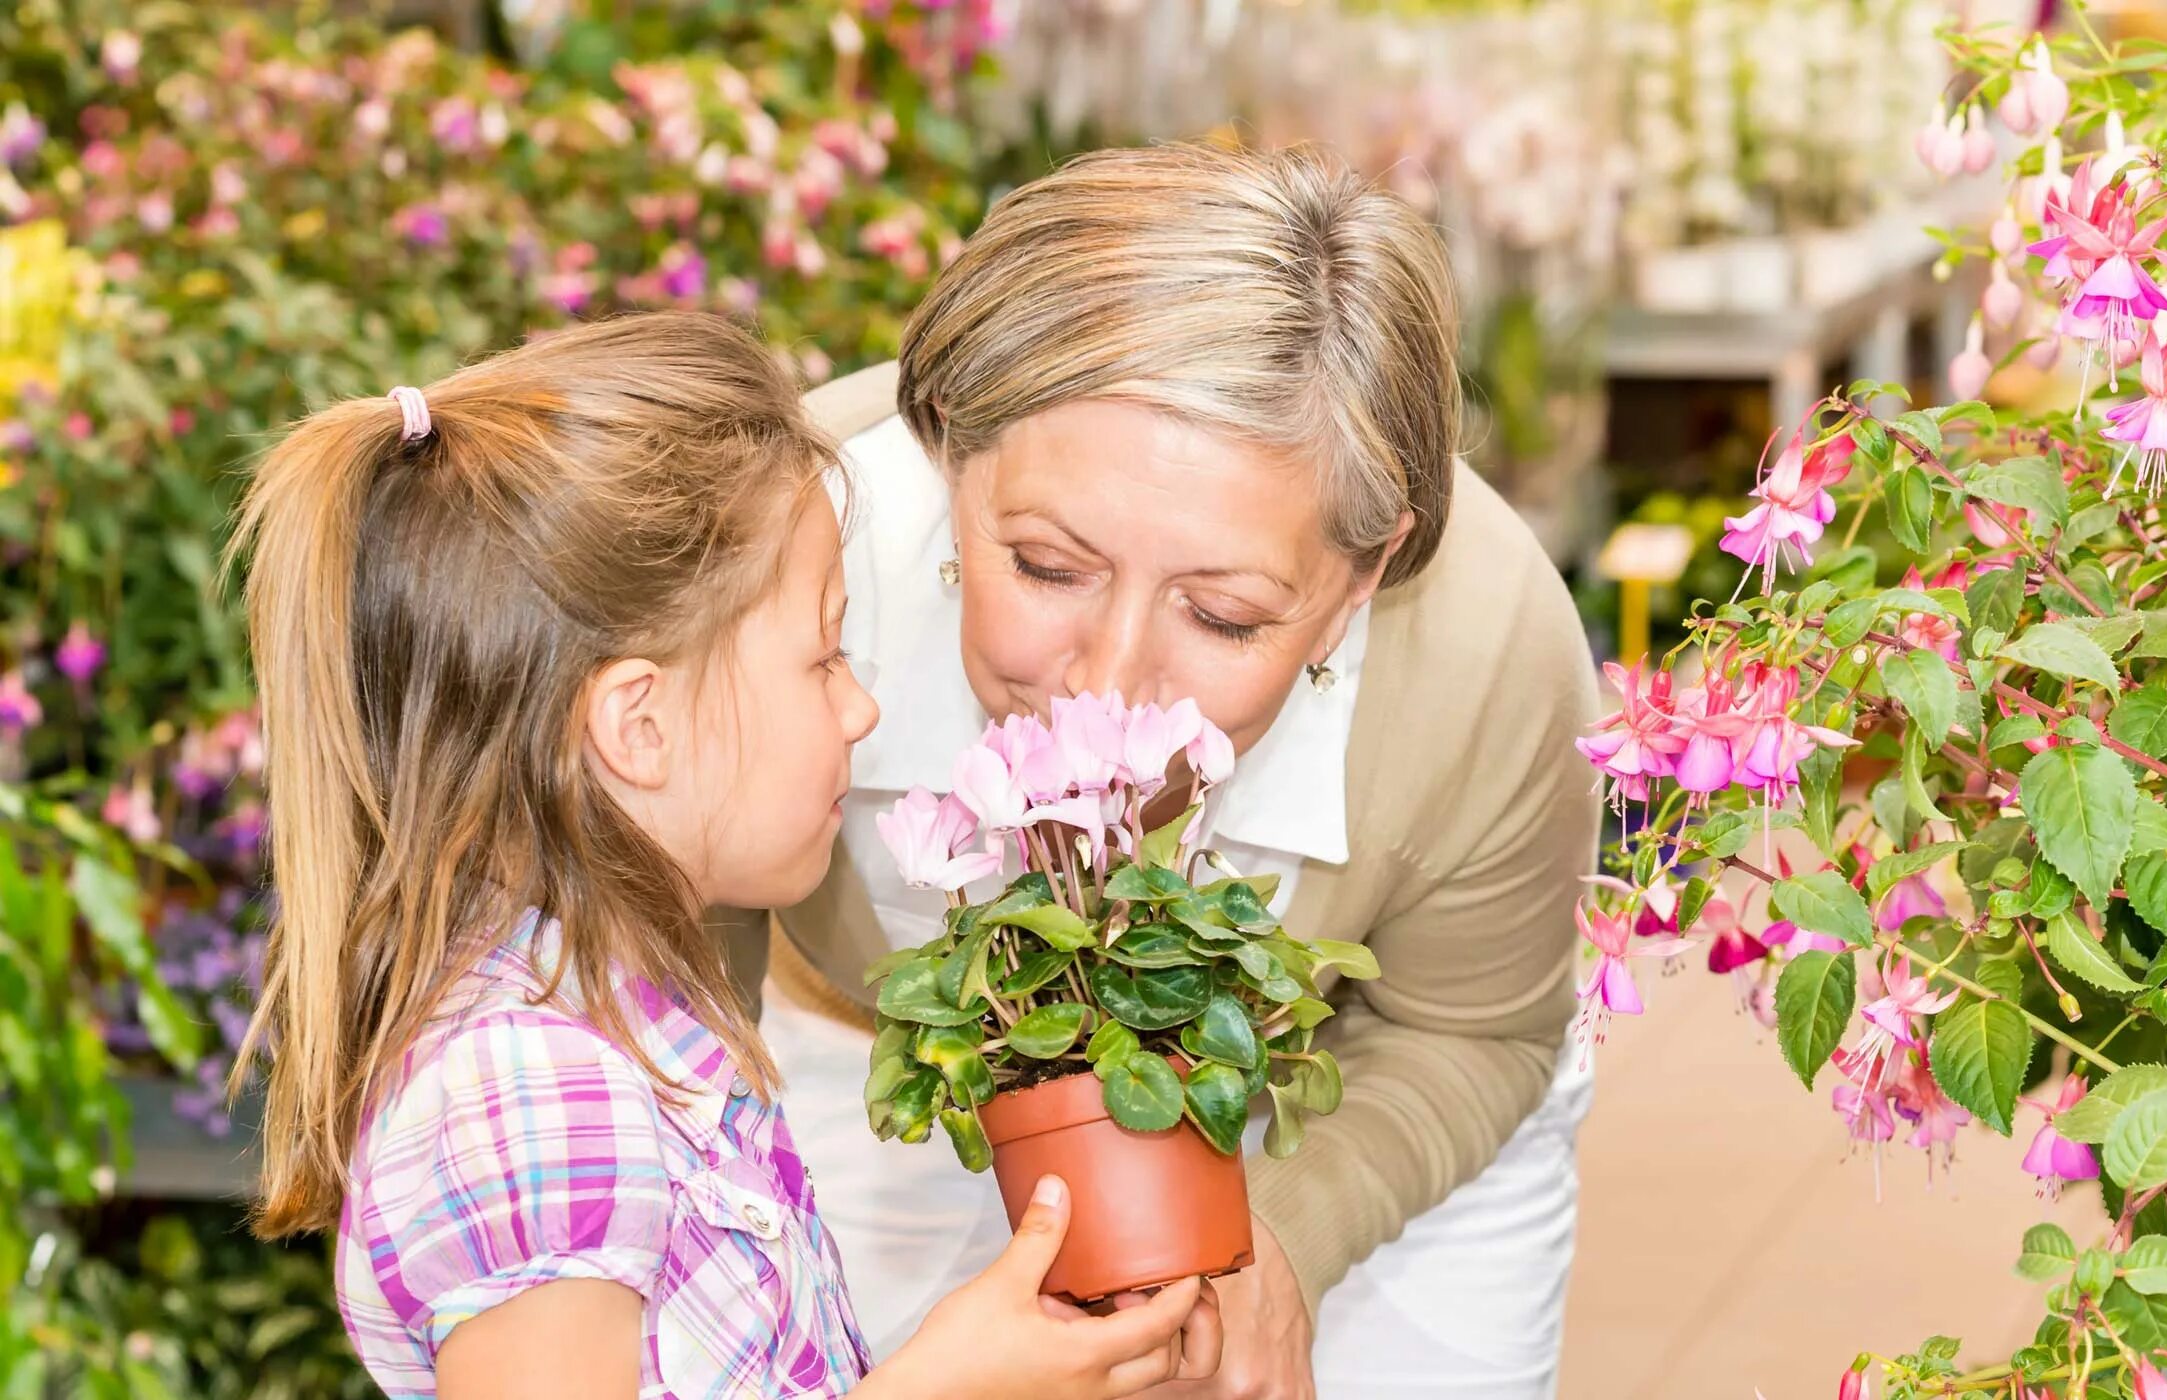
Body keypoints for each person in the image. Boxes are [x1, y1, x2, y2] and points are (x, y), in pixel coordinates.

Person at [718, 143, 1603, 1399]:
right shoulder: (772, 556)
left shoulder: (1486, 650)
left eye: (1227, 616)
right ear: (947, 459)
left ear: (1364, 573)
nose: (1108, 682)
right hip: (890, 1076)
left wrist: (1282, 1235)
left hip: (1349, 1093)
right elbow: (651, 984)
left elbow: (1471, 1029)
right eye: (1044, 565)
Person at [229, 312, 1221, 1399]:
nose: (860, 706)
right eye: (823, 655)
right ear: (638, 726)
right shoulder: (533, 1087)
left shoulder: (620, 1010)